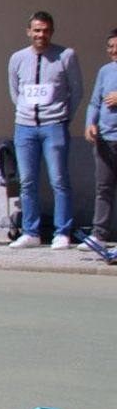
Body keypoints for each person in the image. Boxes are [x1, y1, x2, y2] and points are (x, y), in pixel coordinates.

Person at [8, 12, 83, 249]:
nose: (41, 34)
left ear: (52, 31)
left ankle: (63, 231)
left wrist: (62, 117)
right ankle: (30, 231)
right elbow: (14, 91)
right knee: (27, 181)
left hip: (54, 126)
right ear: (29, 31)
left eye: (46, 30)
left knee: (59, 179)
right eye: (37, 30)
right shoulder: (17, 58)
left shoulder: (66, 56)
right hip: (25, 127)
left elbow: (77, 90)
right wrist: (25, 113)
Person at [83, 28, 117, 251]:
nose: (113, 51)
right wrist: (90, 123)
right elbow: (95, 102)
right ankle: (99, 234)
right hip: (105, 139)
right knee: (103, 187)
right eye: (110, 46)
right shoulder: (105, 71)